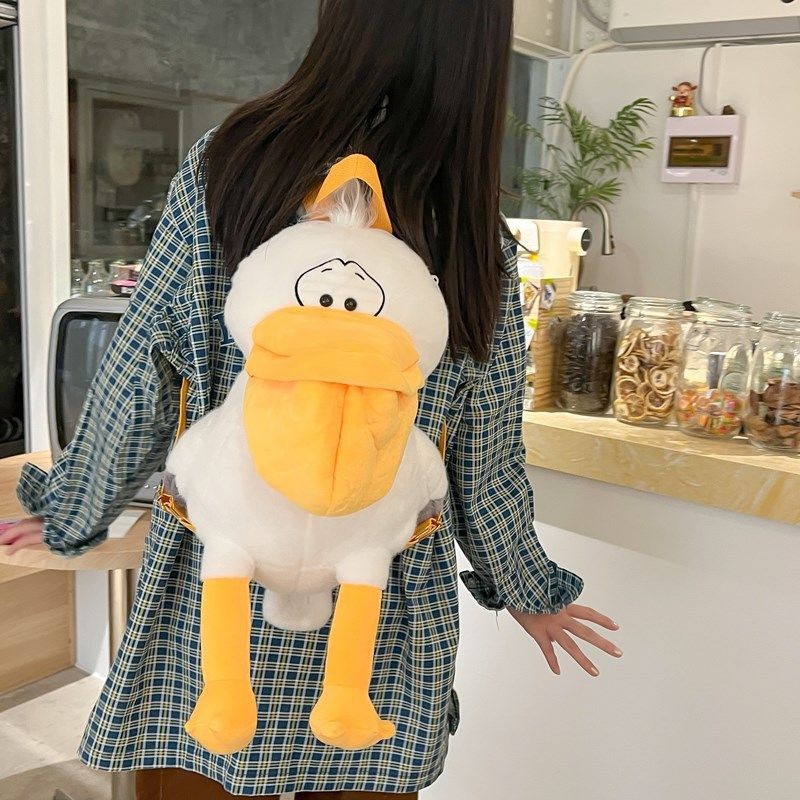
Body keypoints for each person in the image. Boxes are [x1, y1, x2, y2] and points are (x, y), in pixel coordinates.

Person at [0, 1, 621, 797]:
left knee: (207, 753)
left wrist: (71, 511)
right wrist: (527, 588)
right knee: (359, 752)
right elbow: (483, 457)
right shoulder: (468, 230)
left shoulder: (232, 167)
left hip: (220, 582)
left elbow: (140, 374)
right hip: (381, 594)